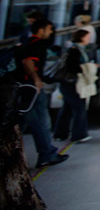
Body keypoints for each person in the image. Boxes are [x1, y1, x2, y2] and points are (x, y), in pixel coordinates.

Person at [15, 19, 69, 168]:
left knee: (24, 121)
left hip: (23, 87)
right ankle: (47, 154)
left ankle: (15, 151)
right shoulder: (38, 44)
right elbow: (28, 62)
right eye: (49, 29)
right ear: (41, 30)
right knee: (41, 122)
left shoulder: (26, 41)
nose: (51, 32)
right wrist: (37, 79)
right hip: (32, 88)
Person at [53, 30, 96, 143]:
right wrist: (89, 67)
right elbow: (73, 67)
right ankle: (79, 134)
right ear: (81, 37)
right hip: (73, 83)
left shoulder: (74, 49)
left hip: (68, 83)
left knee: (67, 108)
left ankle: (60, 133)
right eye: (87, 37)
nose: (89, 39)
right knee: (79, 107)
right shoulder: (75, 51)